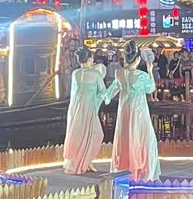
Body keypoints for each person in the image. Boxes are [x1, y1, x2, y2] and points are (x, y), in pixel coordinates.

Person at [104, 41, 161, 182]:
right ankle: (141, 169)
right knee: (143, 137)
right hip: (139, 111)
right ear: (138, 59)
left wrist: (105, 97)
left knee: (126, 138)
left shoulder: (119, 73)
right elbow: (151, 88)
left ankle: (126, 167)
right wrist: (150, 71)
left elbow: (113, 89)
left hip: (124, 111)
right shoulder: (141, 75)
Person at [63, 47, 106, 174]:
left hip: (76, 107)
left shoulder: (75, 73)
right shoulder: (95, 74)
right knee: (96, 134)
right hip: (88, 107)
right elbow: (103, 91)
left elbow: (74, 93)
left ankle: (83, 161)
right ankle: (87, 161)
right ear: (90, 59)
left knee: (78, 135)